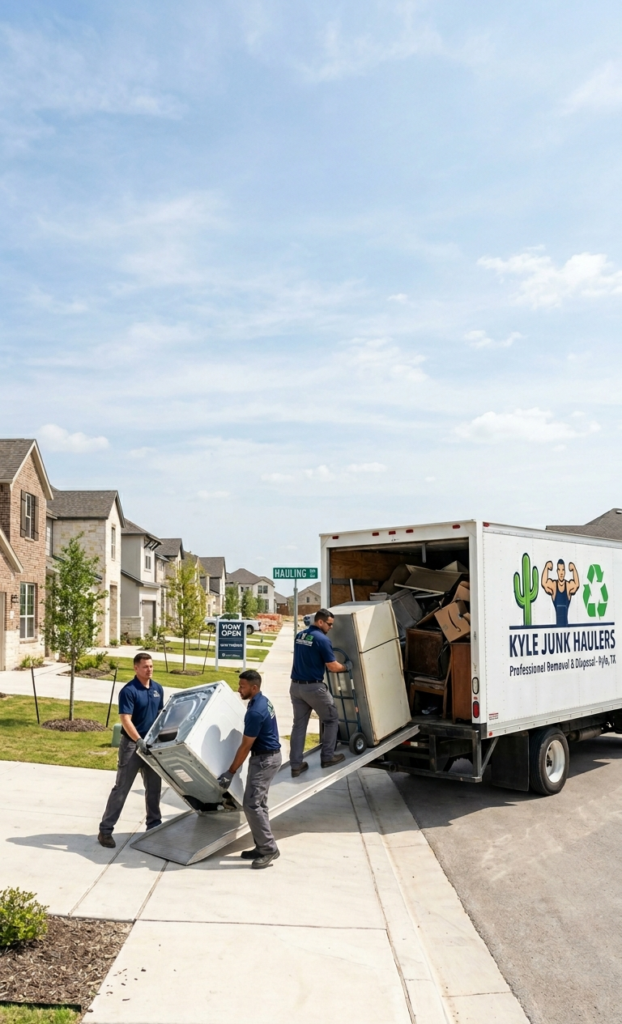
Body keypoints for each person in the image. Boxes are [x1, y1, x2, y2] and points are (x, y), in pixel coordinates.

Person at [97, 652, 165, 849]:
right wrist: (138, 740)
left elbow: (160, 715)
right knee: (122, 788)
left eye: (151, 666)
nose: (149, 669)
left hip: (151, 746)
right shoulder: (129, 691)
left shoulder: (157, 689)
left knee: (154, 789)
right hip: (132, 746)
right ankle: (105, 830)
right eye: (145, 666)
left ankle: (154, 826)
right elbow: (125, 719)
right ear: (136, 668)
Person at [217, 669, 282, 869]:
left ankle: (269, 849)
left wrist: (231, 771)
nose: (239, 690)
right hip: (267, 757)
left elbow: (245, 746)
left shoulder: (255, 711)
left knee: (252, 805)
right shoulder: (260, 700)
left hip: (265, 760)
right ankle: (262, 845)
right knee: (259, 804)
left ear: (254, 687)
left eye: (242, 686)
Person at [289, 608, 348, 778]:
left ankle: (296, 765)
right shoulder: (322, 640)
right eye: (329, 624)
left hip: (296, 687)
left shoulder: (300, 636)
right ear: (320, 622)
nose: (331, 627)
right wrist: (347, 667)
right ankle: (328, 757)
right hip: (314, 688)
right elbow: (332, 666)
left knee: (299, 726)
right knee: (331, 719)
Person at [542, 559, 580, 627]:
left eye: (563, 570)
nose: (561, 573)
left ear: (565, 572)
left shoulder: (568, 586)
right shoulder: (554, 586)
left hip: (566, 628)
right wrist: (546, 567)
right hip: (557, 628)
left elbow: (576, 585)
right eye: (559, 570)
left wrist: (574, 569)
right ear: (557, 572)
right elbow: (544, 583)